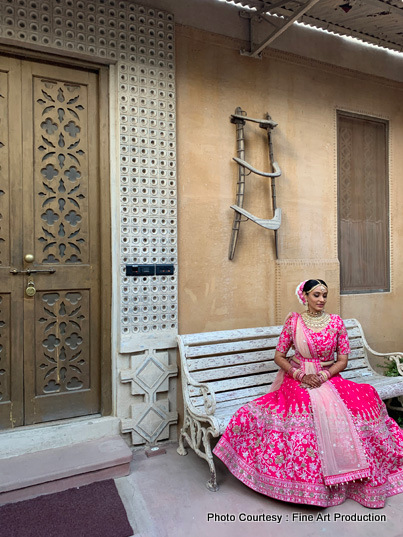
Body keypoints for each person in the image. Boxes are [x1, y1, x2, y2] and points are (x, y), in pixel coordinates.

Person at [213, 279, 403, 508]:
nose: (321, 299)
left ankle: (354, 475)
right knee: (305, 410)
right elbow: (279, 356)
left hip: (328, 377)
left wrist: (323, 375)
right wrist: (300, 376)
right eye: (316, 295)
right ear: (305, 296)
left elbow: (342, 360)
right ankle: (306, 487)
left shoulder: (335, 323)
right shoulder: (294, 322)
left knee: (362, 401)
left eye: (324, 295)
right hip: (297, 379)